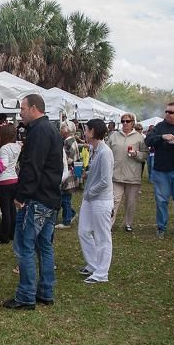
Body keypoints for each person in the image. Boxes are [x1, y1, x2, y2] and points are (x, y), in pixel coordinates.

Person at [3, 94, 63, 310]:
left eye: (23, 108)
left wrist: (21, 196)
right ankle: (46, 291)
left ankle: (26, 296)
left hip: (37, 199)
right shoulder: (51, 130)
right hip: (50, 197)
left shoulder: (39, 131)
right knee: (44, 246)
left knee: (25, 246)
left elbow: (32, 168)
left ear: (34, 108)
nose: (20, 112)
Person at [78, 119, 114, 284]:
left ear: (92, 132)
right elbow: (97, 174)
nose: (84, 133)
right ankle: (93, 264)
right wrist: (86, 175)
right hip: (90, 198)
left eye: (86, 130)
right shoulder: (94, 149)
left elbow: (106, 181)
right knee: (83, 231)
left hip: (100, 200)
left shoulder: (105, 152)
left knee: (102, 236)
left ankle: (101, 273)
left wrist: (90, 192)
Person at [145, 102, 174, 238]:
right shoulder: (160, 127)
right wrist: (162, 137)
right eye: (166, 112)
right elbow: (148, 140)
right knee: (161, 200)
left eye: (171, 112)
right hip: (161, 170)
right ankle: (161, 227)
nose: (167, 114)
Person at [107, 113, 148, 231]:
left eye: (128, 121)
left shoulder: (139, 137)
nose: (125, 123)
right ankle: (109, 224)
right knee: (114, 201)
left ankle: (128, 223)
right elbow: (106, 151)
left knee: (130, 202)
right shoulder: (113, 136)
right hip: (116, 175)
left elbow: (145, 154)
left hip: (133, 175)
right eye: (123, 121)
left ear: (133, 123)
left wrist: (137, 154)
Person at [0, 124, 21, 244]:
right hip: (14, 179)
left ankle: (4, 236)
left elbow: (3, 165)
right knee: (12, 209)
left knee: (5, 210)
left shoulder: (4, 148)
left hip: (4, 181)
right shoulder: (17, 146)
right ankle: (13, 233)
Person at [56, 120, 80, 229]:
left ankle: (67, 220)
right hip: (71, 171)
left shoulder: (68, 142)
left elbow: (69, 159)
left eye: (62, 128)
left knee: (65, 197)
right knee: (65, 197)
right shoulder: (71, 140)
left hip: (68, 172)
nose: (60, 130)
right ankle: (71, 213)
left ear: (67, 130)